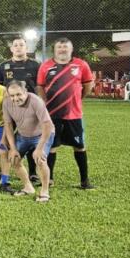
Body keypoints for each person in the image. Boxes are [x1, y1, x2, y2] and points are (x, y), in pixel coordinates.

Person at [36, 38, 95, 189]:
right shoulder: (46, 66)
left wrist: (77, 98)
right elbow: (40, 87)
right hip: (52, 114)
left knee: (79, 146)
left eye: (65, 47)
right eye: (59, 47)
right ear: (55, 50)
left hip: (73, 115)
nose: (62, 49)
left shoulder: (81, 65)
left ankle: (84, 181)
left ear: (71, 49)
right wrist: (45, 104)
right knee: (52, 146)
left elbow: (87, 85)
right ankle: (49, 180)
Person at [0, 36, 41, 182]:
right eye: (15, 45)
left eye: (21, 45)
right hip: (11, 108)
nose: (18, 47)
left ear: (26, 47)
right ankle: (3, 169)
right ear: (11, 49)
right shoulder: (3, 66)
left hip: (30, 109)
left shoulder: (36, 65)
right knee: (6, 137)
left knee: (30, 137)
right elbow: (0, 88)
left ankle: (33, 171)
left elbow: (40, 87)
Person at [3, 81, 55, 202]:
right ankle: (28, 187)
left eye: (18, 94)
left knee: (40, 160)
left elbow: (47, 125)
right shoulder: (6, 103)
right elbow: (8, 125)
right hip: (22, 135)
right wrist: (13, 148)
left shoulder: (36, 101)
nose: (15, 98)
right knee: (14, 159)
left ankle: (44, 191)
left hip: (42, 134)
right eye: (12, 95)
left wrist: (40, 148)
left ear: (25, 91)